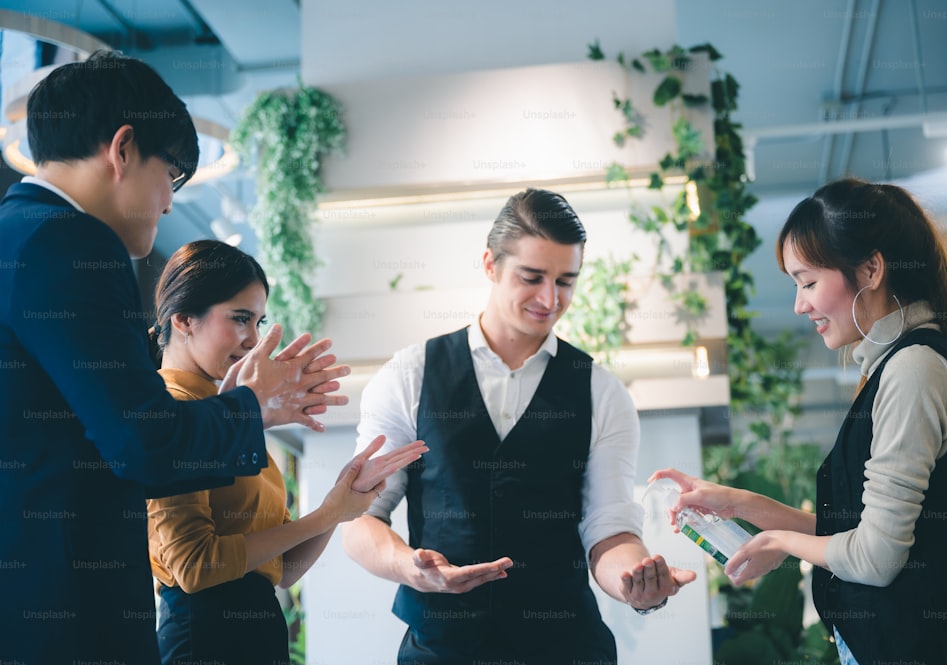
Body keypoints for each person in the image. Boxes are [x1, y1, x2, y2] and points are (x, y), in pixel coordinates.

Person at [0, 50, 348, 664]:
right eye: (172, 177)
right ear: (123, 149)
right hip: (62, 601)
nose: (167, 205)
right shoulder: (69, 241)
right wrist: (253, 406)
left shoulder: (21, 231)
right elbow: (140, 442)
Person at [652, 178, 947, 665]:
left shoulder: (912, 369)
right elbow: (867, 533)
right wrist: (743, 505)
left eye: (809, 282)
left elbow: (877, 560)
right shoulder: (895, 366)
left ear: (871, 269)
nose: (800, 305)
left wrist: (780, 540)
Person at [341, 188, 696, 665]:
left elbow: (609, 528)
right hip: (444, 648)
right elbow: (360, 518)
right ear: (490, 264)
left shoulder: (601, 392)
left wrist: (634, 584)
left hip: (566, 648)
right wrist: (411, 568)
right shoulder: (410, 375)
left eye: (566, 281)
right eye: (532, 277)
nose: (550, 299)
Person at [145, 240, 428, 665]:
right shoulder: (172, 409)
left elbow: (281, 571)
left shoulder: (226, 417)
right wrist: (324, 516)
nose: (254, 340)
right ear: (184, 319)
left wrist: (341, 505)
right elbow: (196, 567)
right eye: (241, 319)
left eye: (259, 322)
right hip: (204, 641)